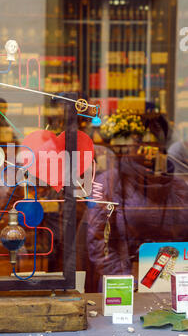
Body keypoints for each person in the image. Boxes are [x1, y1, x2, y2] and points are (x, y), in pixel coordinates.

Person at [77, 114, 188, 292]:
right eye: (142, 143)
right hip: (123, 286)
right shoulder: (109, 183)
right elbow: (98, 240)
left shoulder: (179, 188)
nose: (148, 151)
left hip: (170, 287)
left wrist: (178, 279)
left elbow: (183, 238)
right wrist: (126, 282)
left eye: (155, 144)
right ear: (129, 146)